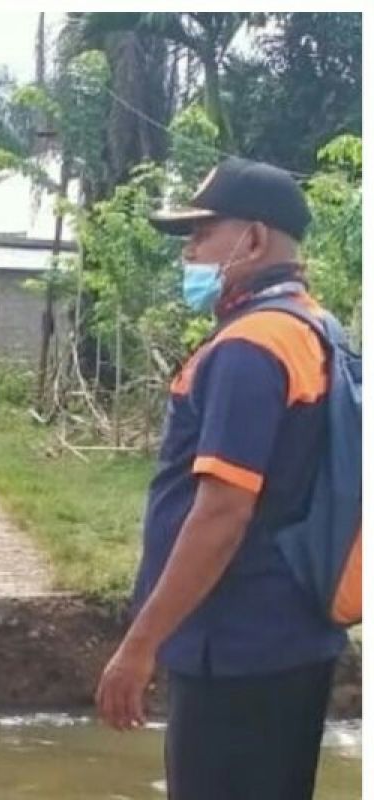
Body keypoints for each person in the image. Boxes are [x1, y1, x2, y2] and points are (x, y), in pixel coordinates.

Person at [94, 157, 349, 800]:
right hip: (295, 637)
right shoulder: (316, 330)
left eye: (203, 233)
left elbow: (221, 513)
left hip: (234, 647)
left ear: (254, 239)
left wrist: (138, 646)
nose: (191, 251)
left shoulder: (250, 347)